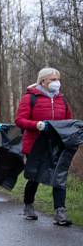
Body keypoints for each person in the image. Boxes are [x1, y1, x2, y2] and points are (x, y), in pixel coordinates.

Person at [15, 67, 73, 225]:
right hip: (35, 144)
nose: (57, 82)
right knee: (34, 177)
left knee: (59, 177)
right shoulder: (30, 98)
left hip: (56, 145)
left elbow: (68, 122)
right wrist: (37, 125)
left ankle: (60, 212)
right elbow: (19, 120)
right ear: (42, 81)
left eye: (57, 79)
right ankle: (28, 205)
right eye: (53, 79)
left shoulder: (62, 99)